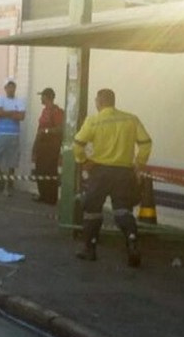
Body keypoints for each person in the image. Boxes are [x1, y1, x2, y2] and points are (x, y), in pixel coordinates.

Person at [73, 88, 153, 268]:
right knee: (123, 211)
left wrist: (83, 160)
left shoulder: (94, 120)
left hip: (100, 172)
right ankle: (132, 241)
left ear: (99, 102)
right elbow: (146, 143)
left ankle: (90, 249)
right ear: (113, 101)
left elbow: (77, 144)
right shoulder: (131, 119)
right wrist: (138, 164)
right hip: (124, 172)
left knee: (92, 210)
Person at [32, 87, 66, 205]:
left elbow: (61, 128)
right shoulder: (44, 111)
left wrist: (46, 131)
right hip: (42, 144)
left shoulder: (56, 111)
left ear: (47, 97)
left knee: (50, 171)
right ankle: (43, 195)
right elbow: (39, 129)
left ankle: (51, 198)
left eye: (42, 96)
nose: (41, 98)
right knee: (40, 170)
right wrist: (34, 148)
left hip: (51, 145)